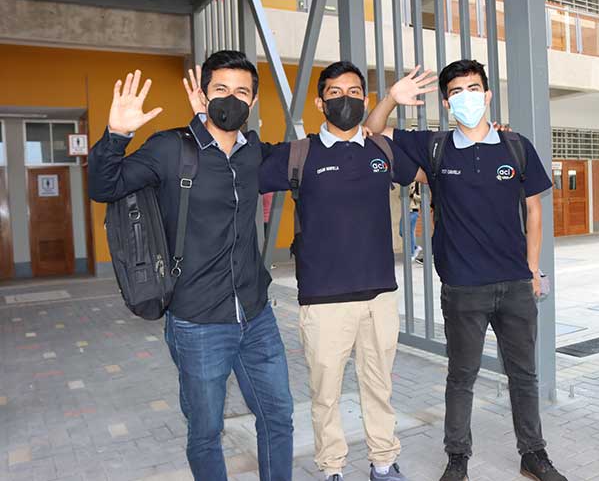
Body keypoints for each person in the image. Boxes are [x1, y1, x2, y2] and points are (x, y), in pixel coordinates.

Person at [88, 51, 294, 481]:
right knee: (206, 431)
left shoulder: (254, 153)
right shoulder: (170, 148)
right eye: (221, 89)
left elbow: (314, 157)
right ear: (203, 93)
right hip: (198, 322)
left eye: (241, 92)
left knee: (278, 417)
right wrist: (116, 135)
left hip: (256, 315)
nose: (231, 99)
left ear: (253, 101)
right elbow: (105, 186)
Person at [364, 60, 568, 481]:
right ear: (446, 102)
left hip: (514, 284)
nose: (466, 97)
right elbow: (372, 131)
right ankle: (457, 458)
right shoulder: (433, 147)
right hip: (462, 287)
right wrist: (391, 99)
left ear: (488, 95)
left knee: (524, 375)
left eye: (473, 88)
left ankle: (533, 454)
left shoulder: (515, 146)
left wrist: (532, 269)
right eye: (456, 91)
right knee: (461, 377)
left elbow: (533, 211)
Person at [258, 61, 432, 481]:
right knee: (325, 395)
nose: (345, 100)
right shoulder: (298, 154)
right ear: (320, 103)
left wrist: (489, 139)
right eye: (334, 93)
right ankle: (332, 468)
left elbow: (430, 173)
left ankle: (383, 463)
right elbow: (238, 172)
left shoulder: (381, 150)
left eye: (354, 92)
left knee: (379, 388)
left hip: (379, 296)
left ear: (365, 100)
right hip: (323, 300)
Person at [400, 183, 422, 261]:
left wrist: (413, 195)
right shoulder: (407, 184)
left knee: (410, 232)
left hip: (413, 211)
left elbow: (422, 198)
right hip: (406, 211)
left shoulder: (418, 184)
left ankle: (412, 253)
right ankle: (415, 247)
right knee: (401, 231)